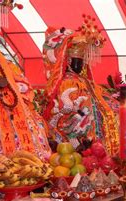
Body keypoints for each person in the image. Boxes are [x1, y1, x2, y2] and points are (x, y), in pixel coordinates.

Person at [42, 25, 119, 155]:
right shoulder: (66, 83)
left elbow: (101, 97)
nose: (81, 64)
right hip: (73, 132)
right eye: (78, 60)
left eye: (83, 61)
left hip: (90, 128)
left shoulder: (84, 80)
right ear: (69, 60)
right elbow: (66, 111)